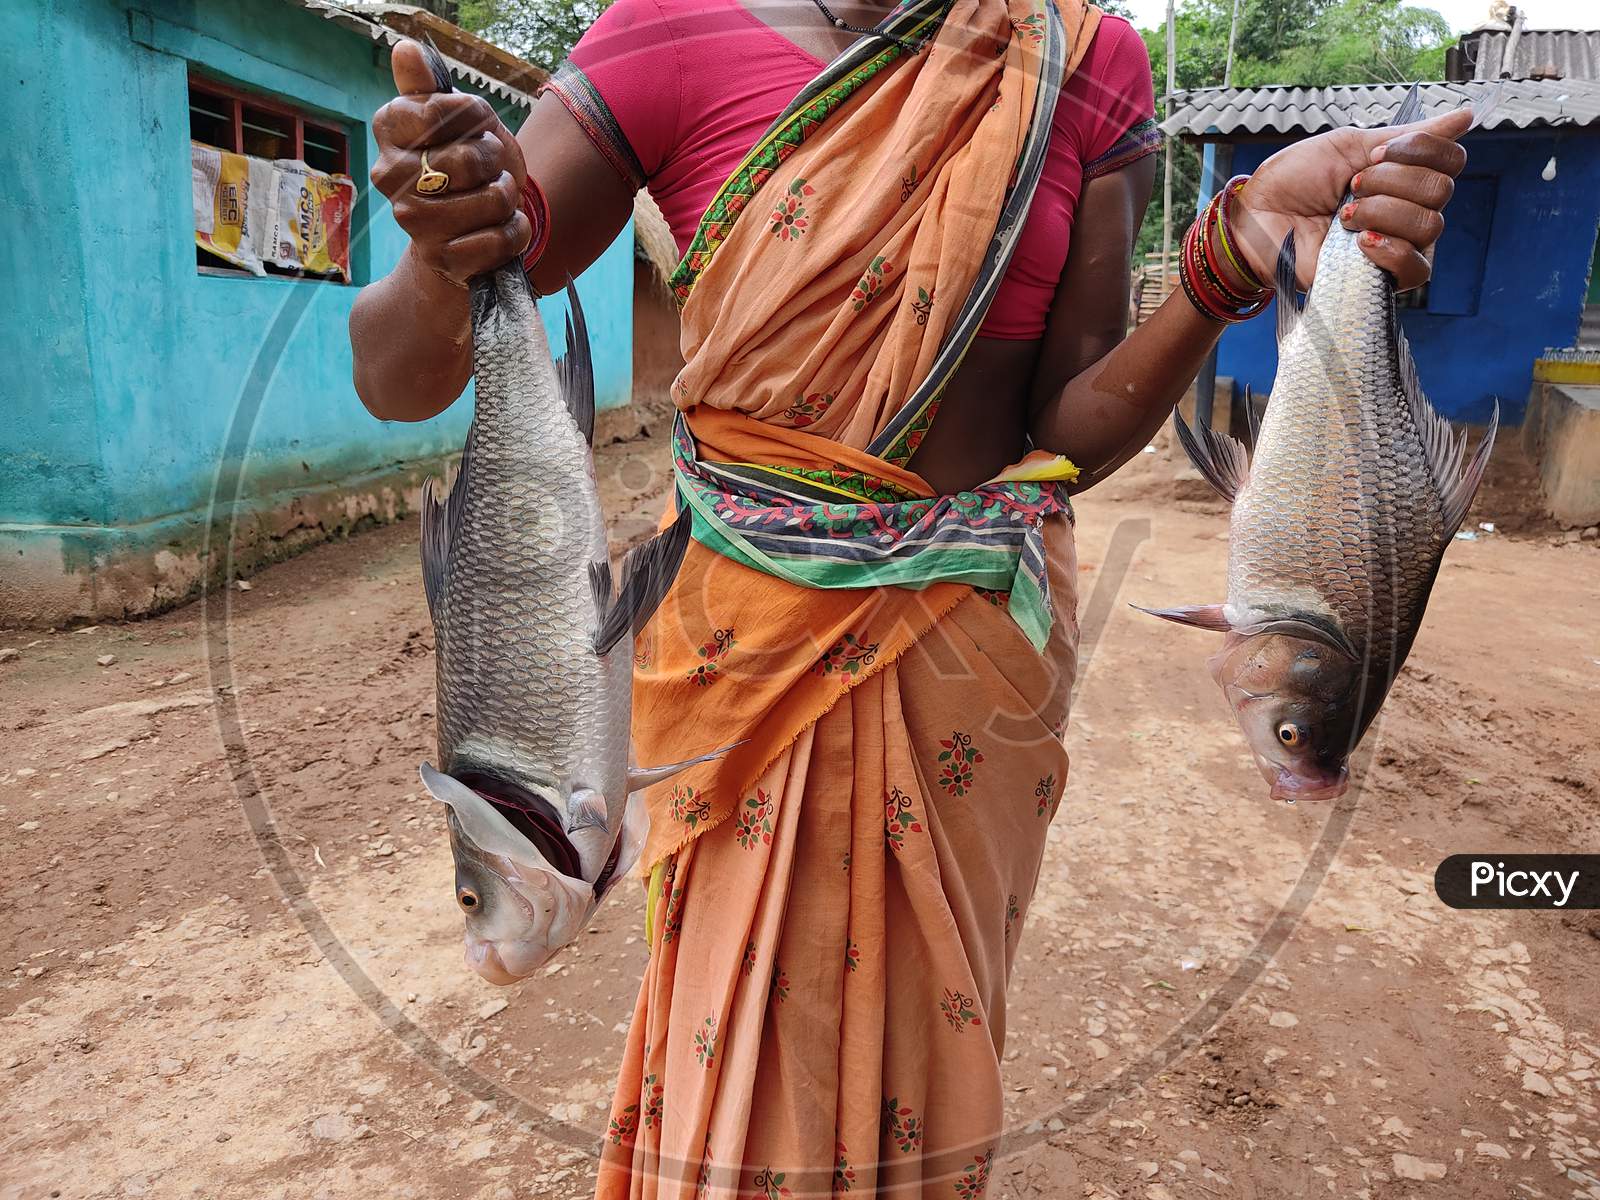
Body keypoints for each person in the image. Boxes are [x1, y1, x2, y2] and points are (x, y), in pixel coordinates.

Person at [351, 1, 1470, 1193]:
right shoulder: (669, 25)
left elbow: (1064, 428)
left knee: (920, 1060)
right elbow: (400, 373)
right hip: (741, 646)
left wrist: (1232, 252)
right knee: (736, 1033)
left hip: (964, 664)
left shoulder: (1082, 60)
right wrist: (441, 245)